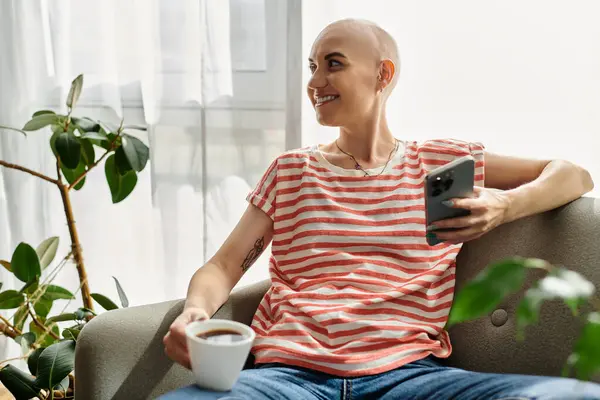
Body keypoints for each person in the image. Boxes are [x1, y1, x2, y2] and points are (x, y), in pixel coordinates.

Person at [159, 19, 599, 400]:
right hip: (287, 376)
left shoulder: (440, 163)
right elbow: (224, 265)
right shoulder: (291, 171)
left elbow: (573, 174)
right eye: (312, 67)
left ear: (382, 74)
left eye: (334, 63)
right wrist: (194, 310)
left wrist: (504, 204)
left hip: (410, 376)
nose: (314, 82)